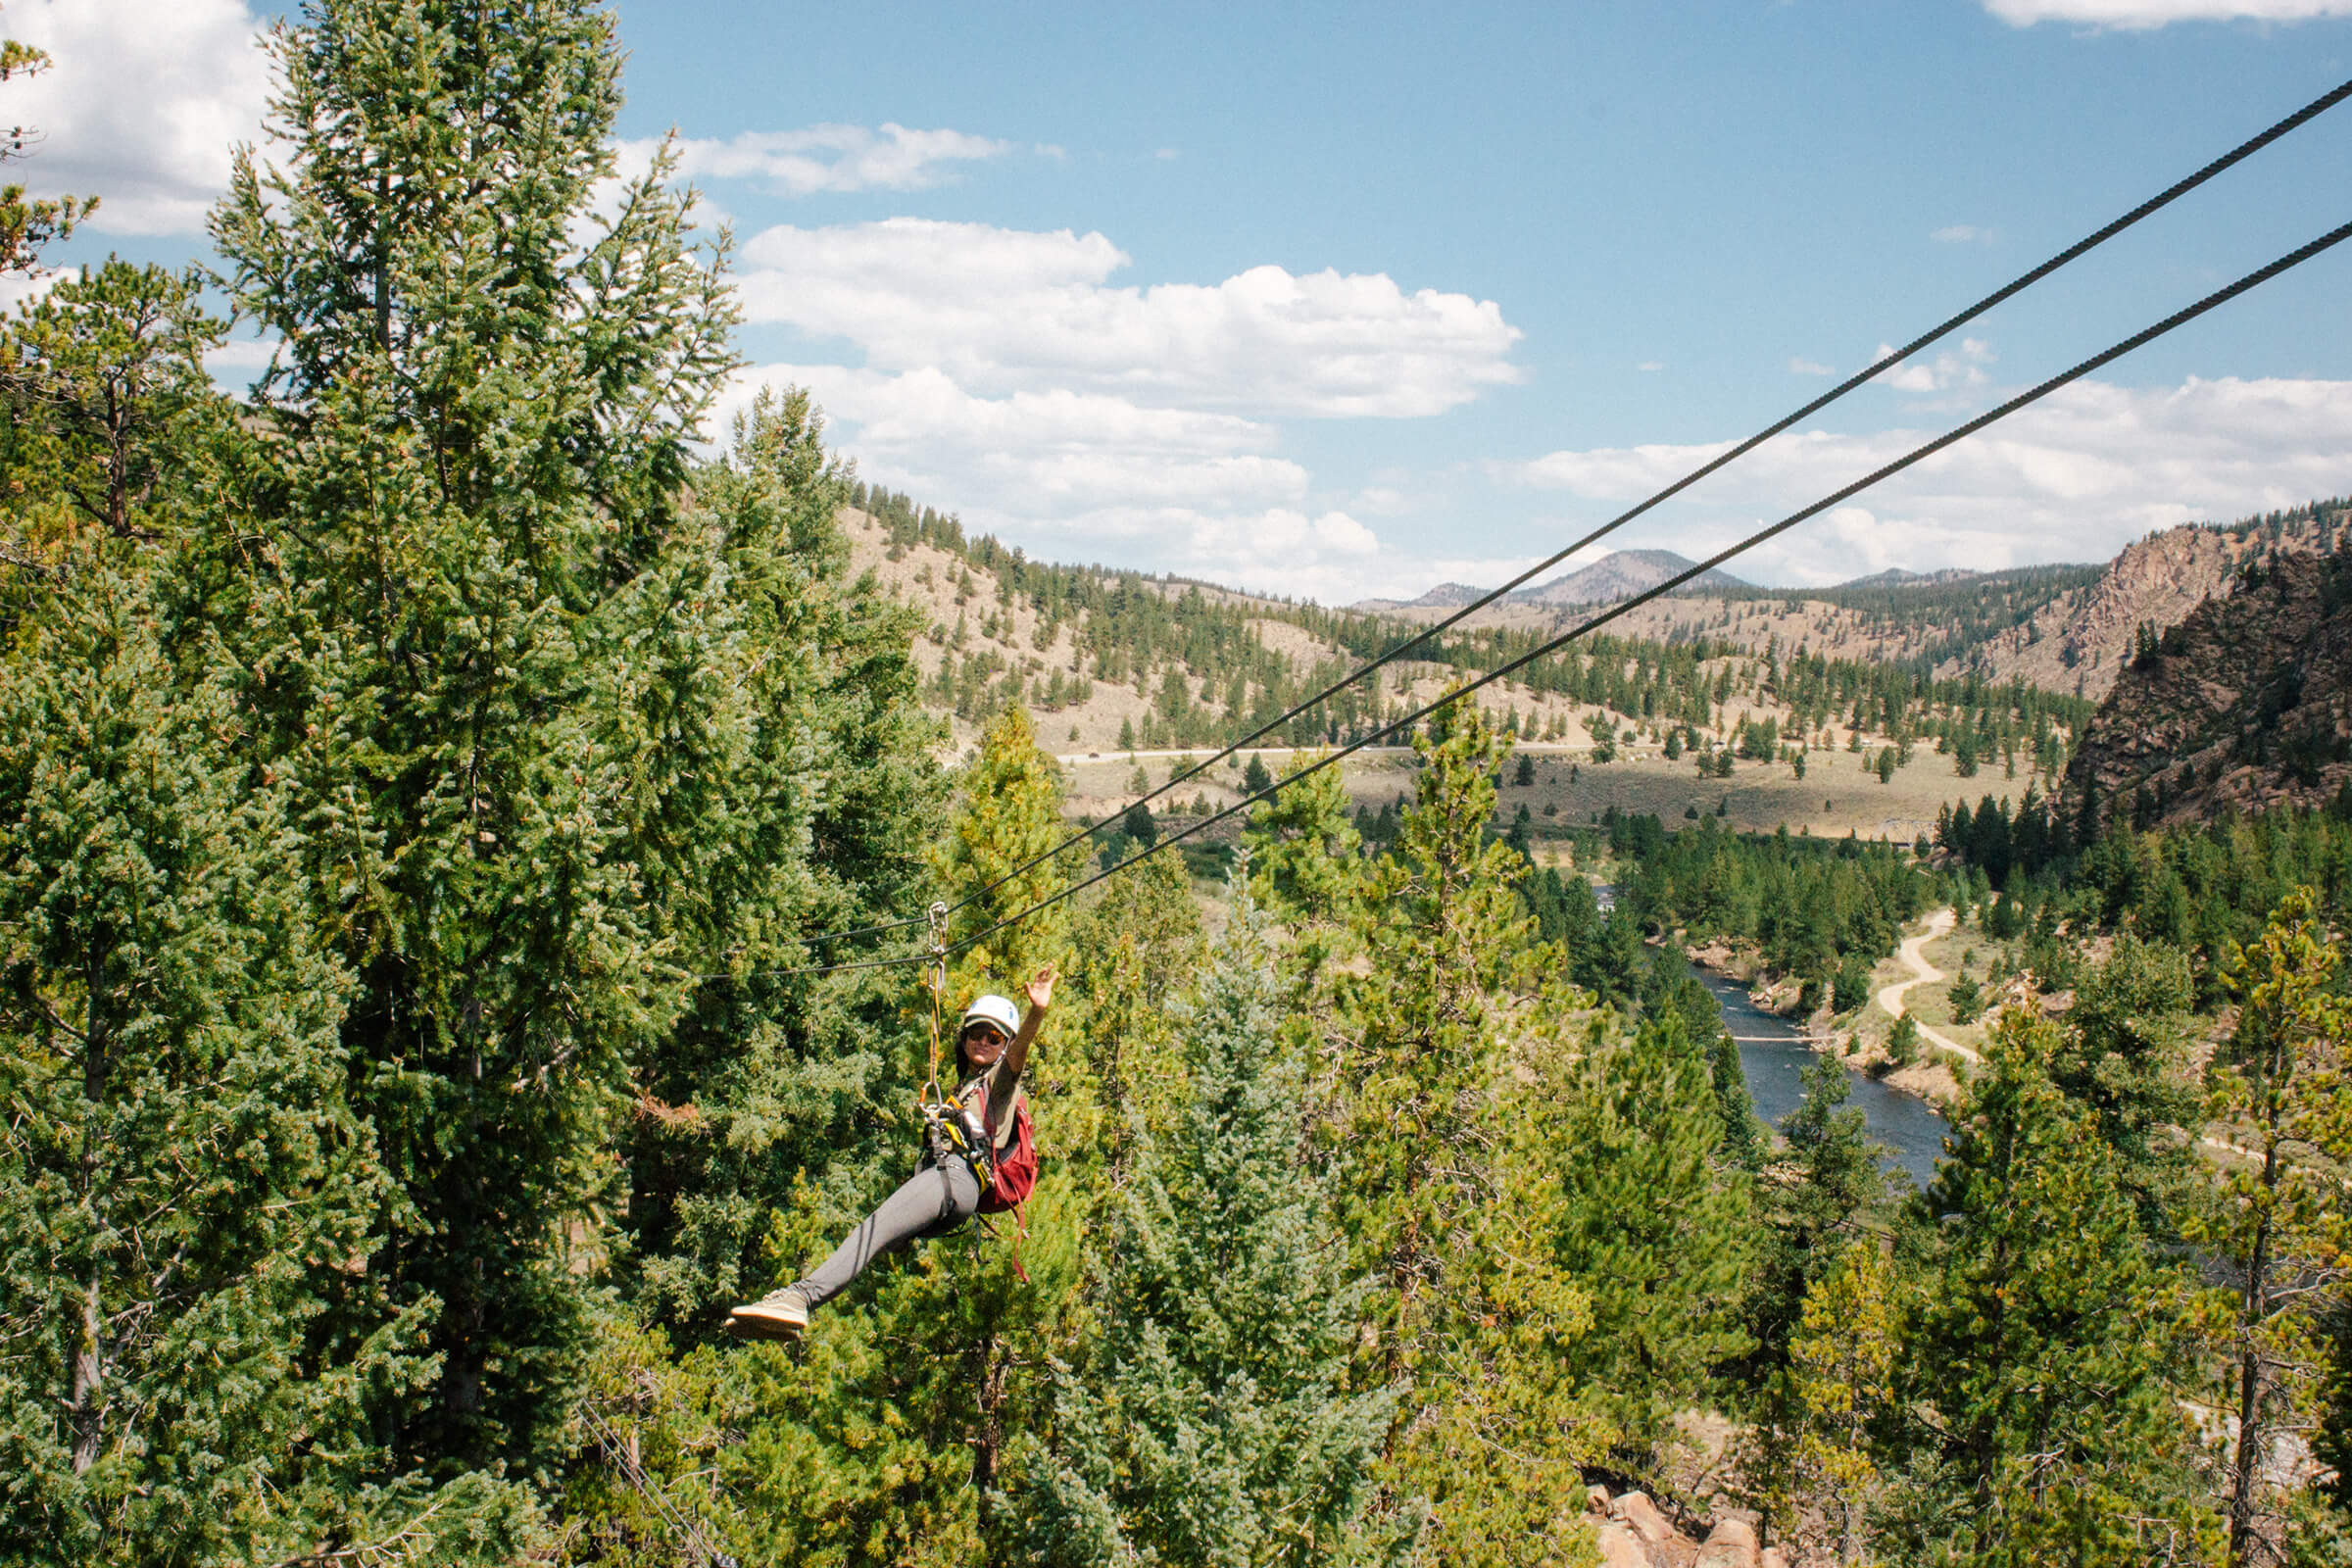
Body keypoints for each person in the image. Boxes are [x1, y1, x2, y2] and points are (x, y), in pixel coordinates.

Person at [728, 964, 1058, 1340]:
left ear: (1004, 1046)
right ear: (964, 1039)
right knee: (879, 1235)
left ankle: (799, 1299)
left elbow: (1019, 1056)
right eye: (976, 1033)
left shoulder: (1000, 1084)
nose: (984, 1041)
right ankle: (783, 1312)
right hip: (947, 1188)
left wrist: (1037, 1012)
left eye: (995, 1037)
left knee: (872, 1228)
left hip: (957, 1179)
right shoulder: (963, 1090)